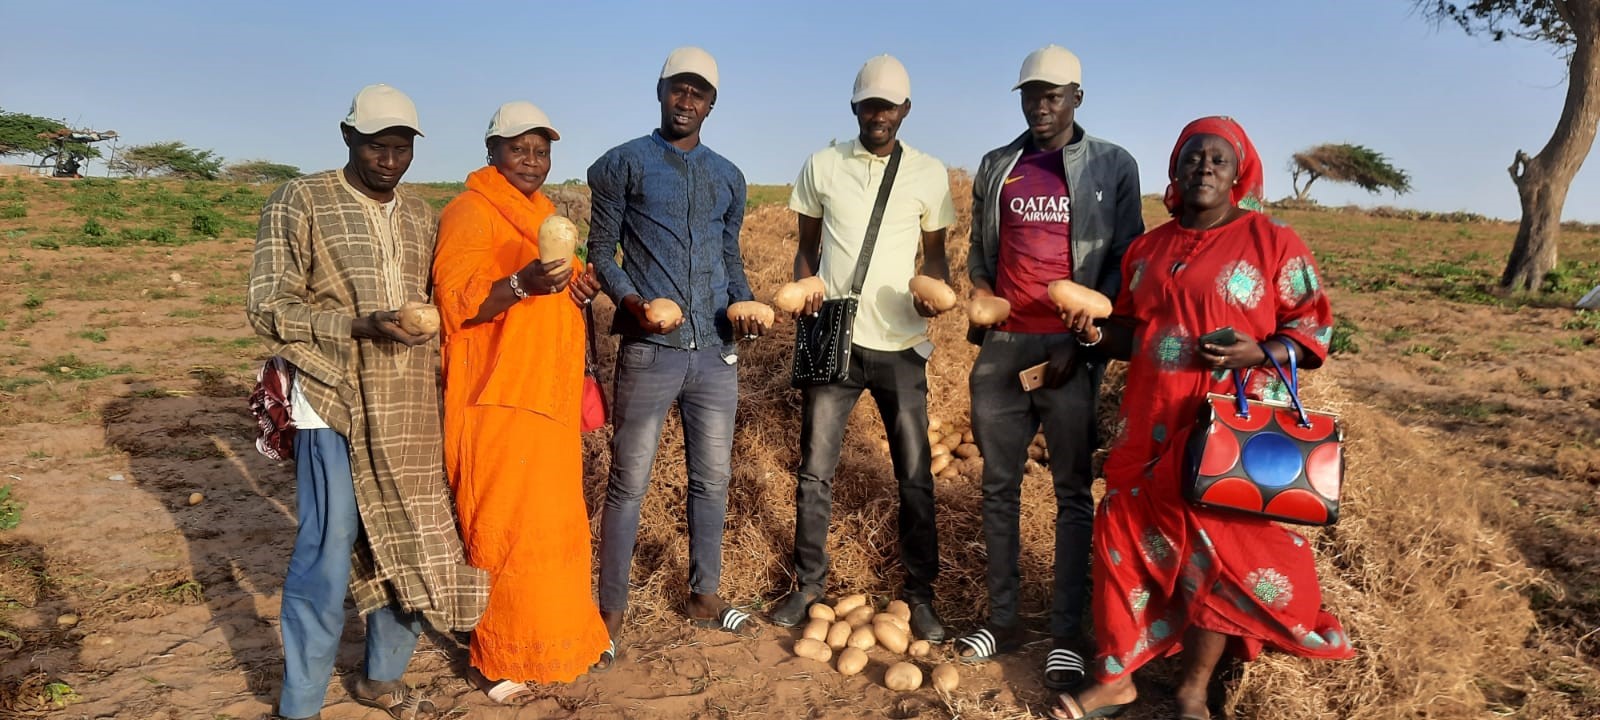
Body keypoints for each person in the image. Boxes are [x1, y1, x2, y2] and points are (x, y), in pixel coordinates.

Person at [1051, 116, 1354, 720]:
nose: (1205, 168)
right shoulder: (1147, 249)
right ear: (1176, 168)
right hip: (1151, 420)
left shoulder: (1273, 240)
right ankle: (1117, 677)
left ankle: (1192, 688)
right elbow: (1136, 334)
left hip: (1229, 431)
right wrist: (1093, 333)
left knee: (1217, 552)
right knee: (1122, 535)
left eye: (1218, 159)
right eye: (1193, 157)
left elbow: (1313, 328)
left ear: (1238, 171)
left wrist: (1257, 351)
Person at [247, 84, 488, 720]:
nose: (389, 159)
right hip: (333, 394)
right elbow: (268, 305)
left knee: (407, 537)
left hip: (409, 402)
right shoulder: (300, 198)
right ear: (348, 137)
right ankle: (301, 699)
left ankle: (381, 675)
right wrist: (362, 325)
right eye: (376, 145)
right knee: (329, 546)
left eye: (401, 147)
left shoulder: (420, 215)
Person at [955, 44, 1144, 691]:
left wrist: (1086, 342)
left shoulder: (1113, 165)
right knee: (997, 487)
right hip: (1004, 351)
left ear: (1077, 100)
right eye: (1032, 95)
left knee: (1070, 494)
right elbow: (980, 256)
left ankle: (1066, 633)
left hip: (1070, 353)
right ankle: (1003, 620)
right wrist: (981, 297)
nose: (1041, 105)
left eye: (1054, 95)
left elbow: (1124, 260)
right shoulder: (997, 165)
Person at [766, 55, 957, 642]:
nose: (879, 113)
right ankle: (809, 585)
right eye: (869, 103)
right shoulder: (822, 165)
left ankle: (919, 594)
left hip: (901, 345)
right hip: (837, 338)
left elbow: (936, 256)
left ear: (905, 109)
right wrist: (803, 290)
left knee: (916, 474)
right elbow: (807, 248)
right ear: (854, 107)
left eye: (889, 104)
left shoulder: (927, 173)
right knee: (814, 471)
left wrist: (933, 295)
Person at [587, 46, 768, 646]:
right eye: (677, 90)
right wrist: (634, 304)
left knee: (712, 478)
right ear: (660, 92)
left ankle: (703, 592)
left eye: (699, 93)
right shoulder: (623, 164)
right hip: (650, 350)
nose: (686, 101)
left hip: (715, 353)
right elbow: (602, 253)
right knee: (629, 479)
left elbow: (730, 260)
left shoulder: (729, 177)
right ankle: (610, 606)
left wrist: (744, 306)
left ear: (712, 104)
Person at [432, 101, 611, 704]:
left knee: (552, 530)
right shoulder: (469, 212)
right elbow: (458, 304)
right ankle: (494, 655)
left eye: (540, 150)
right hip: (497, 401)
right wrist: (522, 284)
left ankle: (552, 639)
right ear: (492, 152)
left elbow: (557, 295)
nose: (531, 160)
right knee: (503, 531)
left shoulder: (546, 217)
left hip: (546, 401)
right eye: (518, 149)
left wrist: (578, 290)